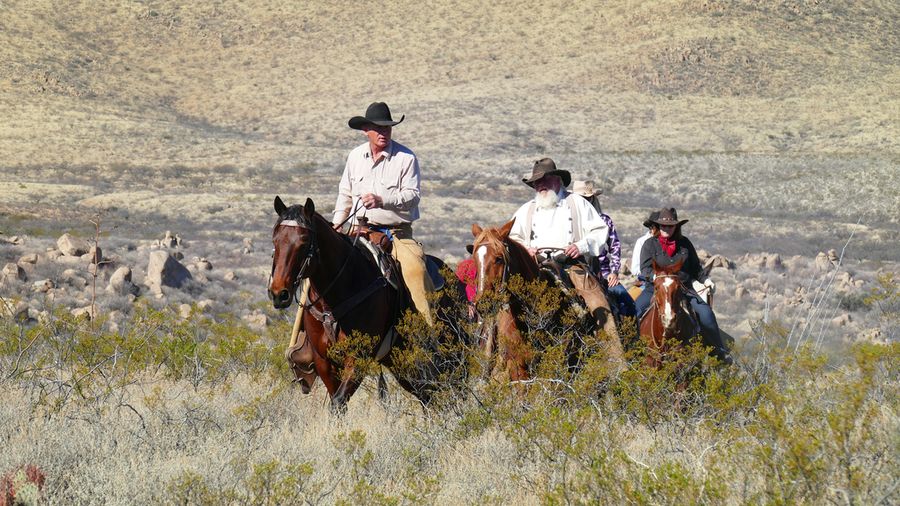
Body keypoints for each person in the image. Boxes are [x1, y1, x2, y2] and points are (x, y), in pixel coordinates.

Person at [508, 158, 626, 365]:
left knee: (598, 303)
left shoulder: (576, 202)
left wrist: (580, 246)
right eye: (536, 182)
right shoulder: (525, 210)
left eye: (544, 180)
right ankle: (498, 366)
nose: (540, 185)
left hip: (571, 265)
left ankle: (614, 362)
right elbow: (512, 238)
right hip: (536, 266)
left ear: (557, 180)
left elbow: (600, 231)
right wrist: (525, 249)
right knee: (505, 307)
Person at [331, 101, 434, 324]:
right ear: (365, 130)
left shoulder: (406, 158)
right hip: (358, 230)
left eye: (387, 128)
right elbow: (345, 195)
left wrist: (382, 200)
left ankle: (428, 335)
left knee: (416, 270)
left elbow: (413, 196)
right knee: (323, 266)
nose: (383, 132)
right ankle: (302, 342)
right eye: (378, 128)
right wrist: (336, 227)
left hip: (396, 234)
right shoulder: (355, 157)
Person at [633, 208, 730, 362]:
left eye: (670, 226)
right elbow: (644, 269)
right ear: (658, 226)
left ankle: (719, 352)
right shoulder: (649, 244)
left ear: (676, 227)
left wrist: (705, 280)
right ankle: (629, 353)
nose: (666, 229)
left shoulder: (685, 244)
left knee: (706, 314)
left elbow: (696, 268)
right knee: (634, 312)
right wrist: (657, 277)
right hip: (655, 288)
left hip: (683, 288)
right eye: (663, 226)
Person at [571, 180, 636, 318]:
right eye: (581, 199)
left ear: (593, 198)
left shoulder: (604, 220)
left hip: (603, 273)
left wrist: (614, 272)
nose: (585, 202)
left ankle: (632, 337)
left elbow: (615, 247)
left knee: (628, 303)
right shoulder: (568, 222)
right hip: (573, 270)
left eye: (588, 198)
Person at [627, 210, 660, 301]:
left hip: (668, 283)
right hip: (646, 283)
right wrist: (653, 275)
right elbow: (635, 269)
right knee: (631, 307)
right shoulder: (641, 242)